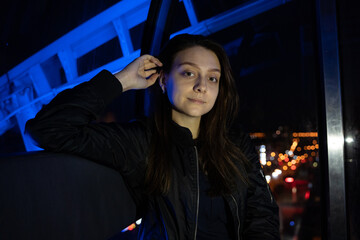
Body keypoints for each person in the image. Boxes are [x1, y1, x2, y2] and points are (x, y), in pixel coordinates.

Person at [26, 34, 279, 239]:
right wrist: (121, 80)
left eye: (212, 78)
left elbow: (261, 215)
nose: (202, 85)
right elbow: (48, 129)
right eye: (189, 73)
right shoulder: (142, 142)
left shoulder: (235, 144)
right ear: (163, 79)